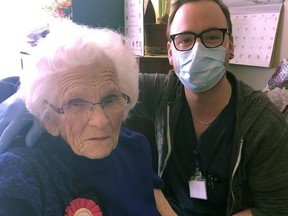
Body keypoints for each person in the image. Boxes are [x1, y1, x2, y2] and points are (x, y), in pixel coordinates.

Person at [0, 0, 288, 215]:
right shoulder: (160, 91)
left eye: (212, 37)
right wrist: (25, 100)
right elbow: (92, 80)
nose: (198, 49)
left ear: (231, 46)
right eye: (185, 39)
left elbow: (275, 207)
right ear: (170, 53)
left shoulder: (265, 124)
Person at [0, 21, 176, 215]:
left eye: (110, 99)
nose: (100, 121)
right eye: (75, 103)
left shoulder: (134, 148)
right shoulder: (21, 173)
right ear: (49, 118)